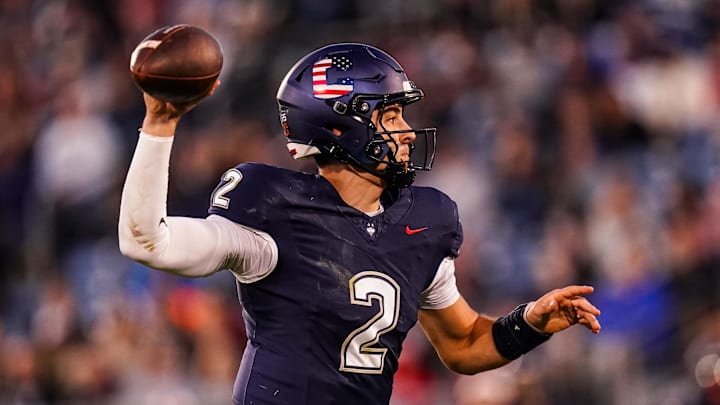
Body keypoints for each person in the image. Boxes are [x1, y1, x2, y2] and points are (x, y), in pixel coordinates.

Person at [118, 42, 601, 405]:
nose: (407, 132)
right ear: (340, 125)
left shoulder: (424, 222)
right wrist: (160, 124)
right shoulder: (272, 208)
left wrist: (530, 323)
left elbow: (464, 344)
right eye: (391, 116)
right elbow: (150, 244)